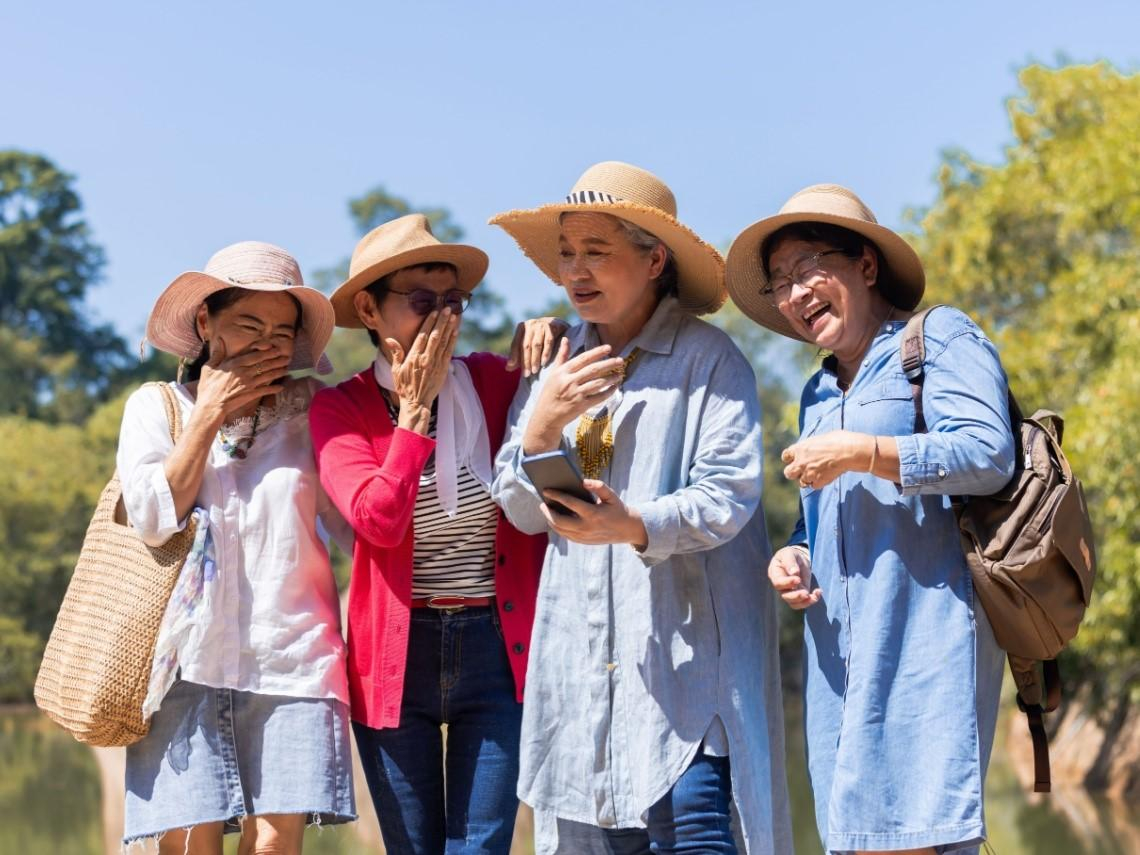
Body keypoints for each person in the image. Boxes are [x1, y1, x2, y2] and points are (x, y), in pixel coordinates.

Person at [489, 162, 793, 855]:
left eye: (597, 251)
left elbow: (729, 495)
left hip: (686, 691)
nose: (575, 270)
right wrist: (541, 425)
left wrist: (630, 525)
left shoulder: (710, 362)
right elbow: (521, 510)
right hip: (579, 692)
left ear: (655, 259)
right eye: (567, 253)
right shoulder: (553, 362)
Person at [726, 184, 1015, 855]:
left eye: (807, 270)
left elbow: (988, 451)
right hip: (836, 671)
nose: (795, 295)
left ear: (866, 265)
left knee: (913, 839)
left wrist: (865, 451)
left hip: (926, 647)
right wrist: (793, 554)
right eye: (780, 284)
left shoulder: (937, 338)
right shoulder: (816, 392)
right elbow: (815, 522)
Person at [309, 213, 555, 854]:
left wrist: (552, 332)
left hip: (497, 649)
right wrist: (414, 418)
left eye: (455, 302)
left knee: (482, 846)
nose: (444, 318)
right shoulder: (340, 409)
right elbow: (378, 520)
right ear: (370, 307)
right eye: (422, 302)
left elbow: (573, 370)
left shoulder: (497, 383)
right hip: (395, 653)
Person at [117, 242, 354, 853]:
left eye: (282, 330)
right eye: (249, 324)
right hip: (183, 662)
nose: (266, 341)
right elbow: (151, 518)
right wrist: (210, 414)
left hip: (295, 659)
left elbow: (359, 527)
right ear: (205, 323)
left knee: (276, 845)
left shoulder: (316, 415)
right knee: (187, 846)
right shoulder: (157, 408)